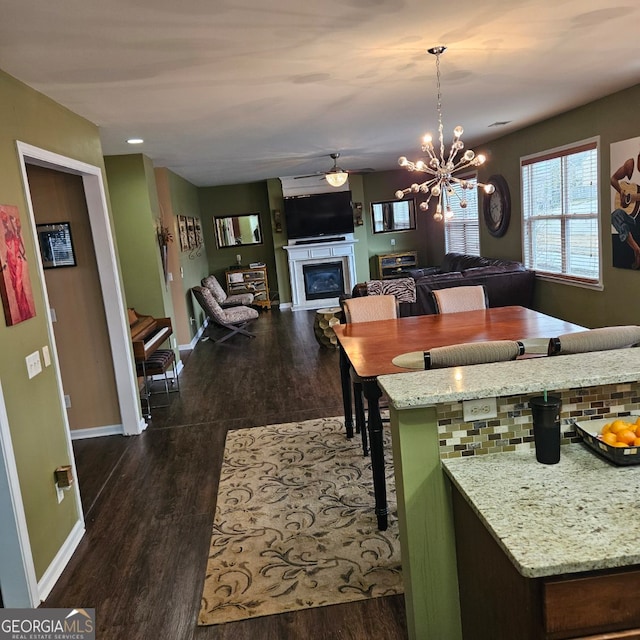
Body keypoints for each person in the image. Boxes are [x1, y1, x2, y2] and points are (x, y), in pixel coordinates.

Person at [611, 153, 640, 269]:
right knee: (615, 216)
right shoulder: (629, 165)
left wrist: (631, 198)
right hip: (631, 217)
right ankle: (636, 249)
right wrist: (621, 192)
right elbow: (613, 179)